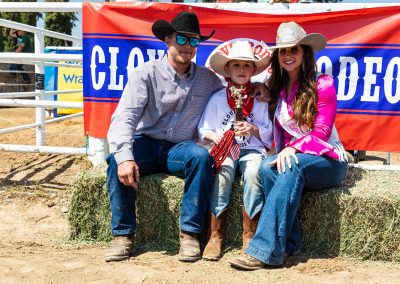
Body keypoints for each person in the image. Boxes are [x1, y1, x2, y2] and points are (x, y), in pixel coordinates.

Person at [105, 11, 224, 263]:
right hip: (146, 142)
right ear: (168, 40)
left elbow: (232, 95)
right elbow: (124, 118)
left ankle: (190, 235)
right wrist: (126, 157)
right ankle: (122, 236)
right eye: (182, 39)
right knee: (117, 161)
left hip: (180, 148)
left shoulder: (208, 79)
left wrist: (258, 90)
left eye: (194, 41)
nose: (188, 47)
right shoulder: (144, 73)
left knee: (201, 158)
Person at [229, 21, 348, 270]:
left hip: (328, 160)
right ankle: (290, 244)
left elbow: (322, 134)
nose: (288, 55)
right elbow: (251, 83)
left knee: (290, 166)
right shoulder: (278, 88)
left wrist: (293, 148)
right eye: (283, 51)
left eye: (293, 50)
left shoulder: (323, 84)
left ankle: (264, 249)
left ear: (305, 53)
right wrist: (260, 89)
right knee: (265, 169)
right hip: (293, 159)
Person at [198, 40, 272, 260]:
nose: (241, 69)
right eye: (236, 65)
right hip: (226, 149)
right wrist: (217, 136)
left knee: (252, 173)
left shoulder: (261, 98)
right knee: (222, 173)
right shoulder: (218, 98)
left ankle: (249, 235)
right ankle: (215, 235)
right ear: (227, 70)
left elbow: (270, 132)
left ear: (253, 70)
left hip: (252, 150)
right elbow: (204, 128)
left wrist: (254, 129)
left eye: (247, 65)